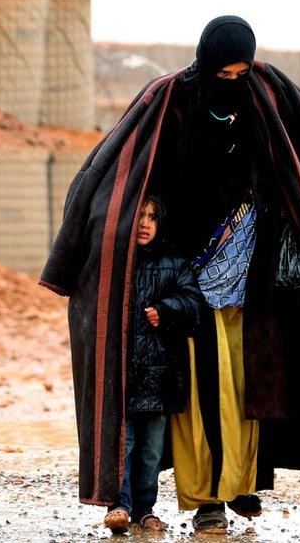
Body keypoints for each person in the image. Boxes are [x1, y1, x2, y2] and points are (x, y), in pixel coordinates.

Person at [40, 15, 300, 536]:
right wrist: (78, 251)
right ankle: (205, 499)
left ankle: (241, 483)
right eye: (223, 73)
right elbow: (110, 166)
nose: (232, 83)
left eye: (240, 73)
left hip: (251, 274)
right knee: (194, 392)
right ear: (206, 62)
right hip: (186, 274)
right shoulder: (167, 99)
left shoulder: (268, 95)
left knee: (246, 383)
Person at [102, 195, 201, 534]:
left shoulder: (175, 264)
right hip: (124, 377)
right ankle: (121, 505)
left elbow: (193, 304)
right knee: (124, 445)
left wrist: (168, 309)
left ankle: (146, 509)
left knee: (150, 452)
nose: (144, 222)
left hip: (159, 378)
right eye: (139, 215)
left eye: (153, 217)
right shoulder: (116, 262)